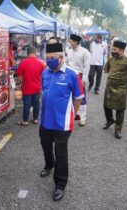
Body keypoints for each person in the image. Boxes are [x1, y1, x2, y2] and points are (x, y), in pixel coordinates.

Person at [39, 39, 84, 201]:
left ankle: (60, 184)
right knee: (45, 146)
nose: (49, 60)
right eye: (47, 57)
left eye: (53, 57)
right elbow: (44, 92)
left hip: (62, 123)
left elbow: (79, 97)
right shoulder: (45, 72)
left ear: (61, 57)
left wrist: (74, 112)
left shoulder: (72, 74)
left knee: (61, 153)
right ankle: (48, 165)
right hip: (45, 120)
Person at [103, 41, 127, 139]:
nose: (112, 51)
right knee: (106, 106)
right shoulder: (111, 59)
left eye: (114, 49)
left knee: (120, 109)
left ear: (121, 50)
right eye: (112, 49)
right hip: (109, 87)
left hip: (121, 89)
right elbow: (107, 70)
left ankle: (118, 129)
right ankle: (109, 120)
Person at [16, 46, 45, 126]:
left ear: (27, 53)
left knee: (27, 104)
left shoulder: (23, 62)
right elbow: (43, 76)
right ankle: (35, 119)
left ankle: (25, 121)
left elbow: (19, 77)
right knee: (36, 103)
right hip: (37, 87)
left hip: (27, 87)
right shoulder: (40, 63)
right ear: (35, 53)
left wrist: (18, 86)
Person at [66, 34, 90, 126]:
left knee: (81, 97)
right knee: (71, 96)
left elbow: (86, 66)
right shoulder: (69, 51)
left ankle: (82, 118)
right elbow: (67, 64)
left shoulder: (85, 52)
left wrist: (84, 80)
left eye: (70, 41)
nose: (69, 42)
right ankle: (74, 114)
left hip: (80, 76)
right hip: (70, 76)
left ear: (75, 41)